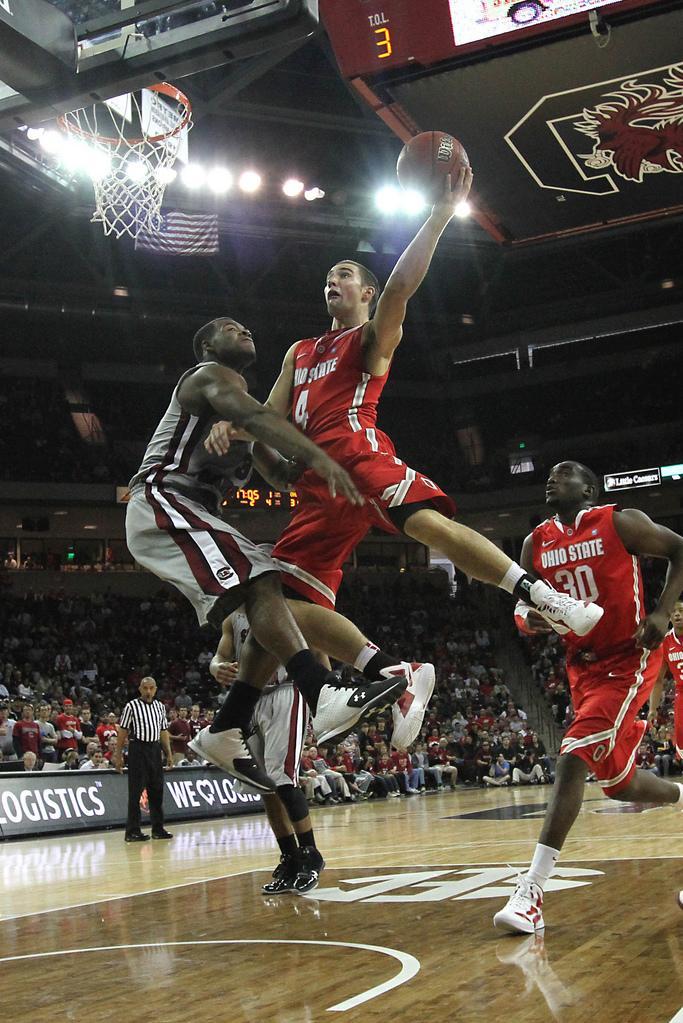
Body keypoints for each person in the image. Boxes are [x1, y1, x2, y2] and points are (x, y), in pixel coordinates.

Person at [206, 172, 603, 750]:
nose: (331, 283)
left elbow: (399, 291)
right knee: (277, 601)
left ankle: (543, 595)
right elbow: (270, 415)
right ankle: (388, 676)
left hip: (356, 452)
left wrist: (439, 214)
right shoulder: (300, 351)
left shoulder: (369, 336)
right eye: (326, 279)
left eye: (343, 275)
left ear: (366, 294)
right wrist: (235, 428)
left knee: (425, 527)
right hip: (317, 482)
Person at [125, 318, 408, 791]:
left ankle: (225, 728)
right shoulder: (210, 376)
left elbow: (277, 474)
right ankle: (321, 692)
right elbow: (259, 418)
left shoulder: (231, 416)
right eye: (230, 328)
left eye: (245, 327)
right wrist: (321, 458)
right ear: (205, 345)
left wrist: (301, 450)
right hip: (161, 498)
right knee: (261, 577)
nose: (244, 330)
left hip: (184, 508)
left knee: (266, 578)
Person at [494, 461, 683, 934]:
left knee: (573, 757)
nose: (552, 479)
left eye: (565, 473)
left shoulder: (621, 520)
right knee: (619, 783)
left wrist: (662, 611)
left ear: (589, 487)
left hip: (630, 656)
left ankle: (531, 892)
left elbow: (681, 549)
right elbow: (521, 603)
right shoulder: (535, 541)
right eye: (551, 475)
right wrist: (526, 619)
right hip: (581, 667)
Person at [207, 607, 326, 894]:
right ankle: (290, 857)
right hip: (250, 698)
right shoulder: (232, 615)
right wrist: (215, 667)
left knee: (283, 779)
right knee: (265, 786)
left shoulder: (287, 605)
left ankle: (311, 855)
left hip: (288, 691)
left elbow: (320, 654)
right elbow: (220, 656)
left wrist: (323, 701)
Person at [113, 676, 174, 843]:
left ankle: (158, 828)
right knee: (136, 792)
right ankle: (132, 831)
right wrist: (117, 755)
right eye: (145, 688)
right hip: (138, 749)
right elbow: (123, 732)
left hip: (155, 749)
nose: (148, 692)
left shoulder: (160, 707)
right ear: (140, 689)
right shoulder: (131, 706)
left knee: (157, 790)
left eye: (151, 688)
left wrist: (168, 754)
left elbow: (163, 731)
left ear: (155, 689)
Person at [648, 598, 683, 760]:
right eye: (673, 612)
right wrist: (652, 709)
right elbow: (658, 680)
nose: (677, 614)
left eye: (681, 611)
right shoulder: (665, 642)